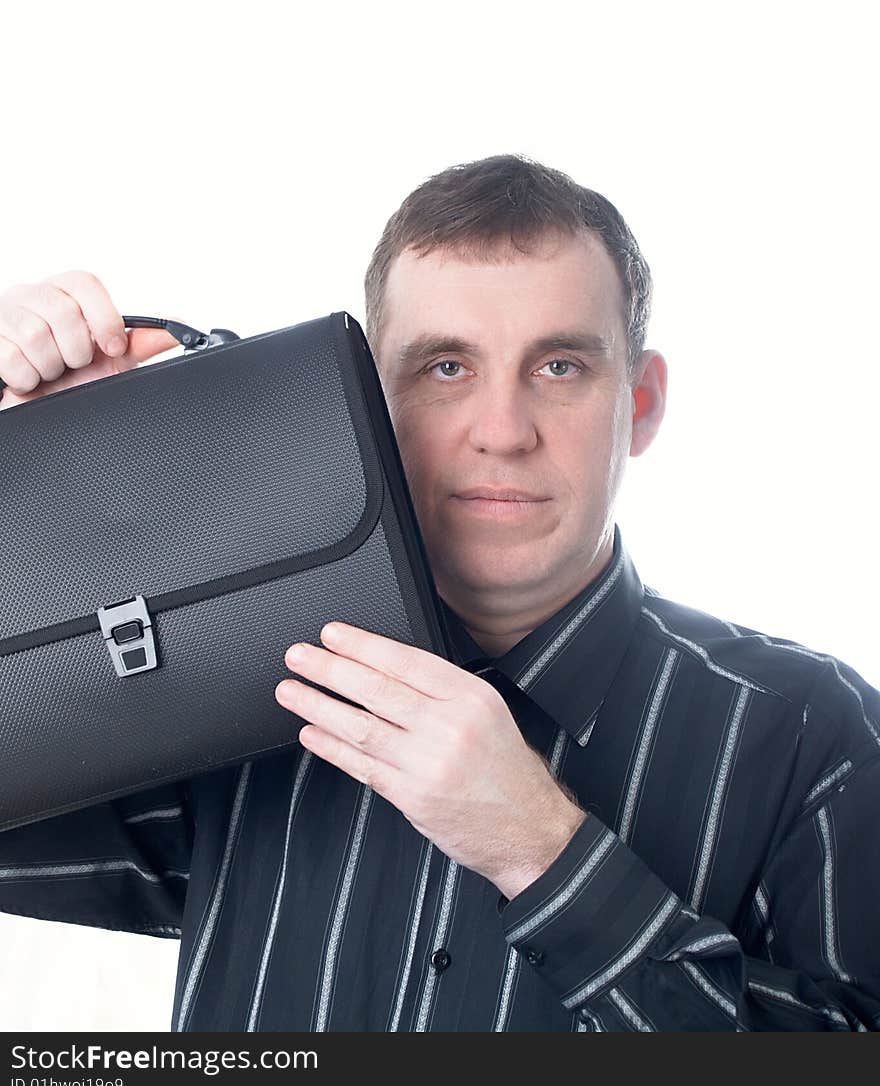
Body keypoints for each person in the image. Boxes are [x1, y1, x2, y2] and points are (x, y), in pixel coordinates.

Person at [0, 153, 877, 1032]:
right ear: (366, 404)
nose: (502, 433)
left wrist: (544, 854)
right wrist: (49, 482)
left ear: (640, 404)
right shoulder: (242, 689)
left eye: (560, 366)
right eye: (447, 368)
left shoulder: (815, 735)